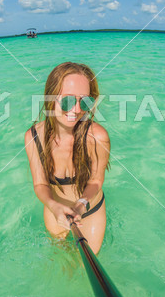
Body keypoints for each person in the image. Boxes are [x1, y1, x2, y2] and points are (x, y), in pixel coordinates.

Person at [24, 62, 110, 254]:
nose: (77, 109)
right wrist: (54, 206)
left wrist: (81, 205)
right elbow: (40, 185)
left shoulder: (96, 137)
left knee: (83, 268)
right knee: (61, 263)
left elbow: (96, 180)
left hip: (90, 211)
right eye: (68, 101)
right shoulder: (34, 137)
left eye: (85, 101)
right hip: (56, 210)